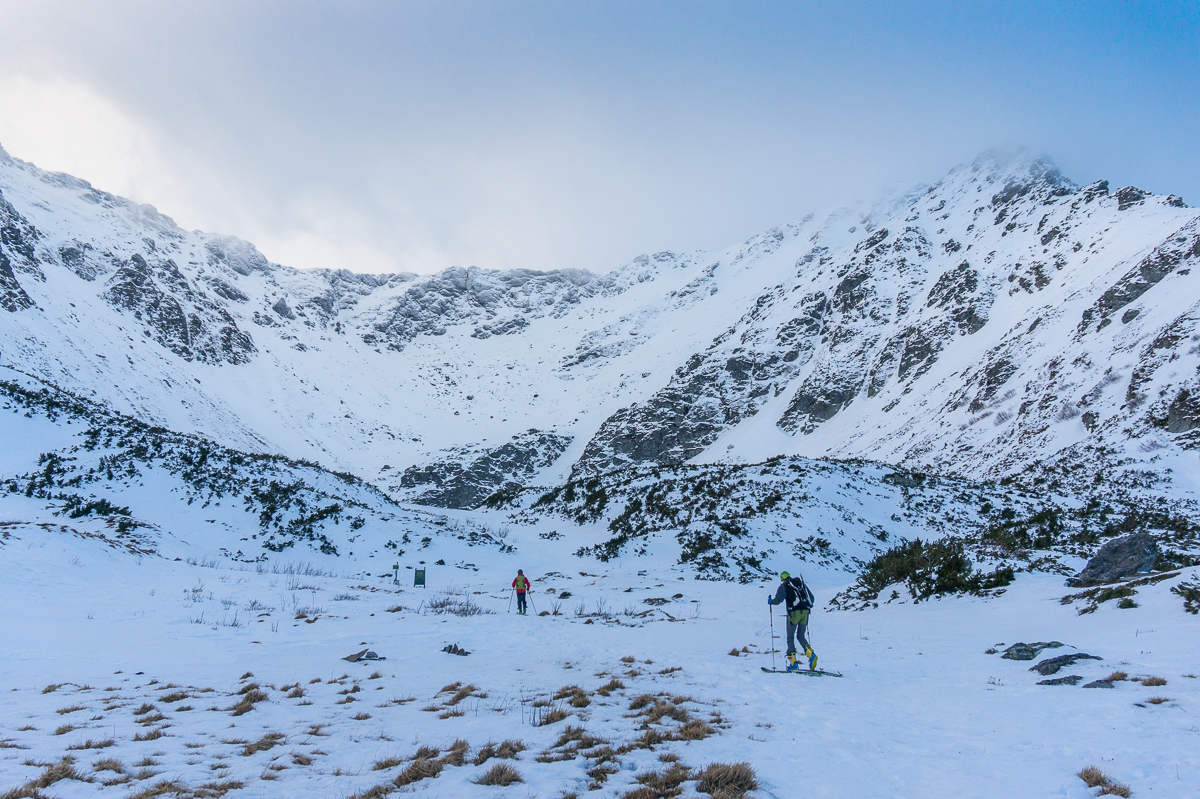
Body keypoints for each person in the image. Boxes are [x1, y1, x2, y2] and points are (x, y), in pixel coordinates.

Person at [768, 571, 817, 671]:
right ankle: (811, 654)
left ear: (782, 579)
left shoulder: (784, 586)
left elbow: (778, 600)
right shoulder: (801, 584)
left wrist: (771, 601)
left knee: (790, 637)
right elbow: (811, 598)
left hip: (793, 614)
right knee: (800, 636)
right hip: (805, 613)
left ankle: (793, 663)